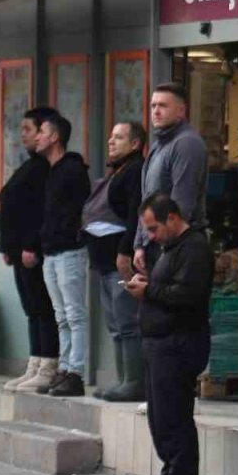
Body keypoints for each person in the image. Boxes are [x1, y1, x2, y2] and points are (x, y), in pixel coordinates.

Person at [124, 193, 213, 475]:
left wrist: (149, 290)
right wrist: (147, 285)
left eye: (154, 228)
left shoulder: (194, 248)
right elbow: (167, 289)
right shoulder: (170, 248)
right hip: (158, 344)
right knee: (160, 418)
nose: (151, 236)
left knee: (175, 418)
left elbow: (186, 294)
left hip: (178, 344)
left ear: (173, 219)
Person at [0, 107, 60, 394]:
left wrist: (29, 245)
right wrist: (7, 246)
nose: (23, 135)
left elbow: (39, 212)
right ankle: (34, 363)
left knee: (42, 306)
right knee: (31, 308)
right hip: (17, 249)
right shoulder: (30, 165)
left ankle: (48, 365)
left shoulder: (44, 169)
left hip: (31, 249)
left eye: (29, 130)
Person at [36, 112, 91, 397]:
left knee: (74, 313)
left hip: (70, 250)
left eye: (42, 131)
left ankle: (76, 372)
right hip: (52, 252)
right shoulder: (51, 171)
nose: (37, 137)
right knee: (61, 315)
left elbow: (80, 209)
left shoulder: (72, 170)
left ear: (55, 137)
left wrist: (70, 233)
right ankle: (65, 367)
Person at [92, 121, 147, 402]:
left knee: (127, 322)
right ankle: (123, 378)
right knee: (115, 324)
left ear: (135, 144)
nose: (111, 142)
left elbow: (134, 216)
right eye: (111, 136)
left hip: (120, 260)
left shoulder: (135, 171)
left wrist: (126, 251)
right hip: (104, 260)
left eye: (119, 137)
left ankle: (134, 381)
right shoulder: (118, 171)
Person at [135, 82, 208, 275]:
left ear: (181, 110)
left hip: (175, 244)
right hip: (156, 241)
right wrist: (140, 244)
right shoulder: (159, 144)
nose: (156, 112)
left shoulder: (186, 144)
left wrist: (165, 248)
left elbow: (181, 204)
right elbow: (146, 200)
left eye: (163, 106)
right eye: (153, 106)